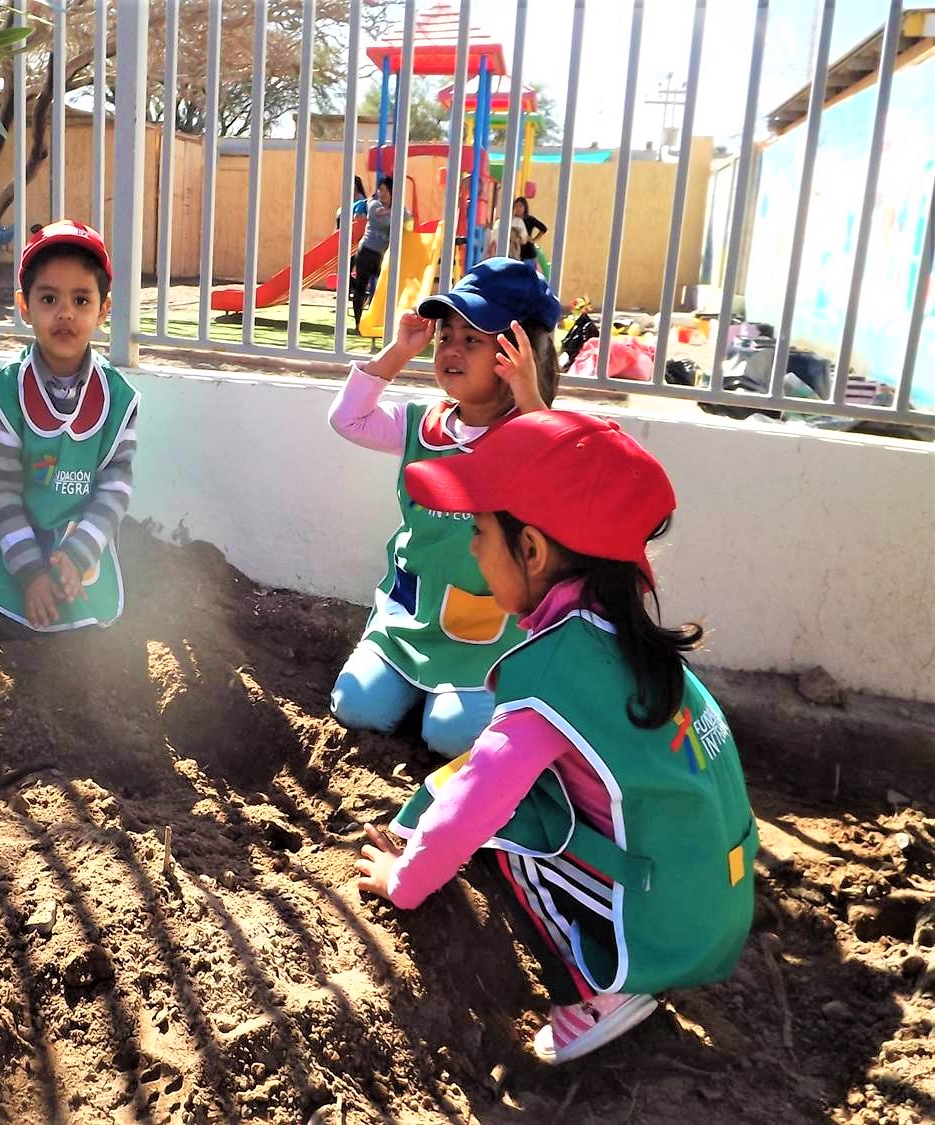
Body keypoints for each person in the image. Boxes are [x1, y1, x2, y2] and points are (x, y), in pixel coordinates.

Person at [355, 411, 757, 1065]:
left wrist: (406, 880)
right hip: (712, 893)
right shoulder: (621, 633)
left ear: (533, 551)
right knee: (514, 777)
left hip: (661, 925)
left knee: (505, 825)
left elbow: (474, 805)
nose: (472, 551)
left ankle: (595, 989)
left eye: (479, 532)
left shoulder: (551, 674)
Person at [328, 258, 560, 757]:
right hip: (410, 620)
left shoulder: (533, 433)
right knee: (355, 707)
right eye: (445, 336)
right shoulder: (421, 425)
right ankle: (417, 691)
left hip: (489, 637)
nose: (451, 348)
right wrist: (400, 350)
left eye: (472, 339)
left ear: (516, 352)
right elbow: (348, 419)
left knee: (452, 737)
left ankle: (456, 703)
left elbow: (561, 473)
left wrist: (528, 393)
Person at [0, 220, 140, 632]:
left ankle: (65, 559)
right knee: (7, 624)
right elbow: (1, 490)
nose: (66, 312)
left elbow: (115, 488)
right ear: (24, 306)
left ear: (104, 309)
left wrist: (79, 554)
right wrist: (31, 574)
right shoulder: (5, 393)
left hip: (77, 530)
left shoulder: (118, 399)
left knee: (92, 632)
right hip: (17, 522)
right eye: (49, 298)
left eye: (82, 299)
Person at [349, 176, 397, 326]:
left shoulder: (395, 208)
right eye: (380, 190)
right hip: (367, 251)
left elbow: (406, 218)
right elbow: (387, 221)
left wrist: (389, 211)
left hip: (382, 256)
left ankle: (380, 319)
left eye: (385, 190)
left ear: (392, 192)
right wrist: (392, 213)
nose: (382, 193)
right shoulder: (373, 204)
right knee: (361, 286)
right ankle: (358, 322)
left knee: (386, 286)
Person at [508, 196, 548, 271]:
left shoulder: (529, 219)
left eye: (520, 206)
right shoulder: (511, 220)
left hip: (528, 254)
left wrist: (533, 240)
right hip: (515, 253)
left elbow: (543, 228)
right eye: (516, 206)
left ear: (525, 207)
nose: (518, 208)